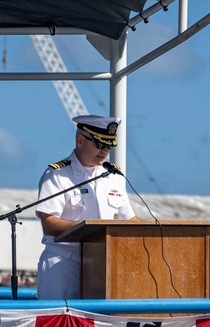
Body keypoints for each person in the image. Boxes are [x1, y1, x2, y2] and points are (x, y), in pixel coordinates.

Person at [35, 115, 137, 299]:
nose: (105, 151)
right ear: (80, 140)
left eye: (109, 146)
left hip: (102, 265)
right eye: (100, 144)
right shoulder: (57, 174)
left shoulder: (114, 176)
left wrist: (157, 232)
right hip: (64, 263)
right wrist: (89, 228)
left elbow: (128, 219)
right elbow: (49, 223)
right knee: (59, 324)